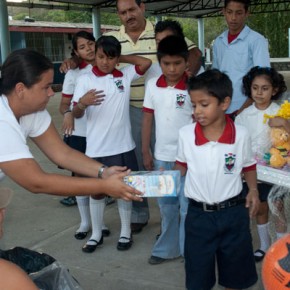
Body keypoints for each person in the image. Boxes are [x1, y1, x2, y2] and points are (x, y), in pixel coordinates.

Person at [59, 0, 203, 234]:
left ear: (143, 7)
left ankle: (176, 214)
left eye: (132, 10)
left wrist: (189, 77)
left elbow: (193, 52)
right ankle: (139, 214)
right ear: (118, 14)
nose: (128, 16)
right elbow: (92, 55)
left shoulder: (160, 31)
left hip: (171, 107)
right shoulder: (114, 37)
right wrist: (101, 56)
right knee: (139, 163)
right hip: (135, 110)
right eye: (123, 12)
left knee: (174, 160)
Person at [0, 49, 142, 211]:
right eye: (46, 87)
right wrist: (103, 185)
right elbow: (36, 182)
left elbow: (62, 154)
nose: (51, 93)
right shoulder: (2, 122)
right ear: (20, 89)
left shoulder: (33, 111)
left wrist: (103, 171)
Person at [175, 69, 260, 290]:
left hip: (234, 214)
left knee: (236, 275)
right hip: (198, 217)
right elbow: (180, 166)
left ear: (224, 103)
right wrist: (160, 182)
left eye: (204, 104)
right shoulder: (185, 134)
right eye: (193, 105)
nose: (197, 111)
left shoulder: (240, 134)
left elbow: (248, 164)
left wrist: (253, 190)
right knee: (197, 277)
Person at [72, 35, 151, 253]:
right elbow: (76, 113)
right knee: (96, 191)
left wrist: (119, 57)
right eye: (100, 56)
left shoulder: (124, 75)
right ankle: (97, 233)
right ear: (94, 56)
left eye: (110, 58)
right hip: (96, 149)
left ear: (116, 59)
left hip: (124, 146)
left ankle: (125, 232)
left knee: (123, 190)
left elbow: (146, 63)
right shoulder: (85, 79)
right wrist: (82, 103)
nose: (104, 62)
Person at [142, 35, 192, 265]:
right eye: (166, 64)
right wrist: (146, 150)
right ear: (159, 63)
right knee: (167, 207)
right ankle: (166, 250)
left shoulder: (194, 87)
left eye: (177, 63)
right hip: (162, 158)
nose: (172, 69)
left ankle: (188, 251)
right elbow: (147, 119)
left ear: (186, 62)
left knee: (187, 207)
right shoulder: (152, 85)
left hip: (189, 160)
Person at [235, 66, 287, 262]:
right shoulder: (242, 116)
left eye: (265, 88)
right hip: (253, 171)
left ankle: (282, 247)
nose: (259, 92)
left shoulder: (281, 111)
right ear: (249, 89)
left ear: (274, 90)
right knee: (260, 207)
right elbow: (238, 145)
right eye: (255, 88)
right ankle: (264, 245)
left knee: (277, 205)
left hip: (277, 170)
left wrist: (283, 122)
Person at [212, 0, 270, 116]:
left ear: (247, 13)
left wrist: (242, 111)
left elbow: (262, 79)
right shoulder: (219, 41)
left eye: (238, 13)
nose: (233, 18)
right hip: (222, 108)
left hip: (247, 108)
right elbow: (216, 76)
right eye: (229, 12)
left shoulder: (257, 41)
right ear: (223, 12)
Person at [59, 30, 96, 207]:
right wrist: (67, 113)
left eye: (90, 43)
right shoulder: (73, 74)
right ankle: (78, 194)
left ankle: (101, 192)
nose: (88, 49)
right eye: (82, 47)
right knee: (79, 166)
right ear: (76, 52)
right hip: (80, 130)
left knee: (98, 167)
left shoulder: (108, 65)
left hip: (102, 129)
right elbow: (63, 104)